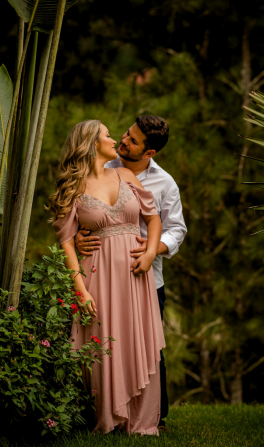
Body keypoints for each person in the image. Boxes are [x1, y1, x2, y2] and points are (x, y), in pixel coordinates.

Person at [48, 120, 166, 436]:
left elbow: (154, 221)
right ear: (90, 143)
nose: (116, 139)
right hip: (96, 275)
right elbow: (66, 244)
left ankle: (140, 421)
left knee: (133, 338)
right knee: (102, 342)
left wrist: (151, 252)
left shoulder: (126, 175)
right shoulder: (73, 186)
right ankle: (107, 416)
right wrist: (80, 290)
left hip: (135, 276)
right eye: (107, 135)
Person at [75, 115, 186, 431]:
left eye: (133, 141)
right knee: (106, 342)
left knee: (148, 345)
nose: (124, 140)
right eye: (125, 133)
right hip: (103, 275)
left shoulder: (164, 183)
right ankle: (103, 409)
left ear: (149, 152)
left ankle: (154, 415)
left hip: (146, 277)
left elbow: (175, 228)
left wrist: (153, 251)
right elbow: (77, 214)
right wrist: (80, 235)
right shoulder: (103, 166)